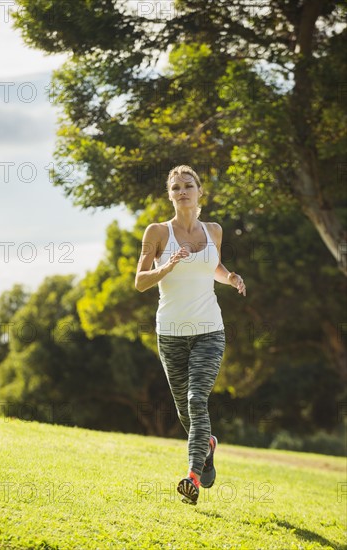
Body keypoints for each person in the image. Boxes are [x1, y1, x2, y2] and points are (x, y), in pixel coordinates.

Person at [135, 165, 246, 505]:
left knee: (197, 400)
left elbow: (212, 267)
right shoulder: (156, 232)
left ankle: (192, 478)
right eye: (176, 187)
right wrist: (166, 267)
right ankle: (208, 444)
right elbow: (139, 281)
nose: (182, 191)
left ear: (199, 192)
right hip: (170, 334)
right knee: (185, 410)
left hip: (209, 330)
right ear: (170, 195)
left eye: (188, 185)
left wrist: (230, 278)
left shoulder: (214, 230)